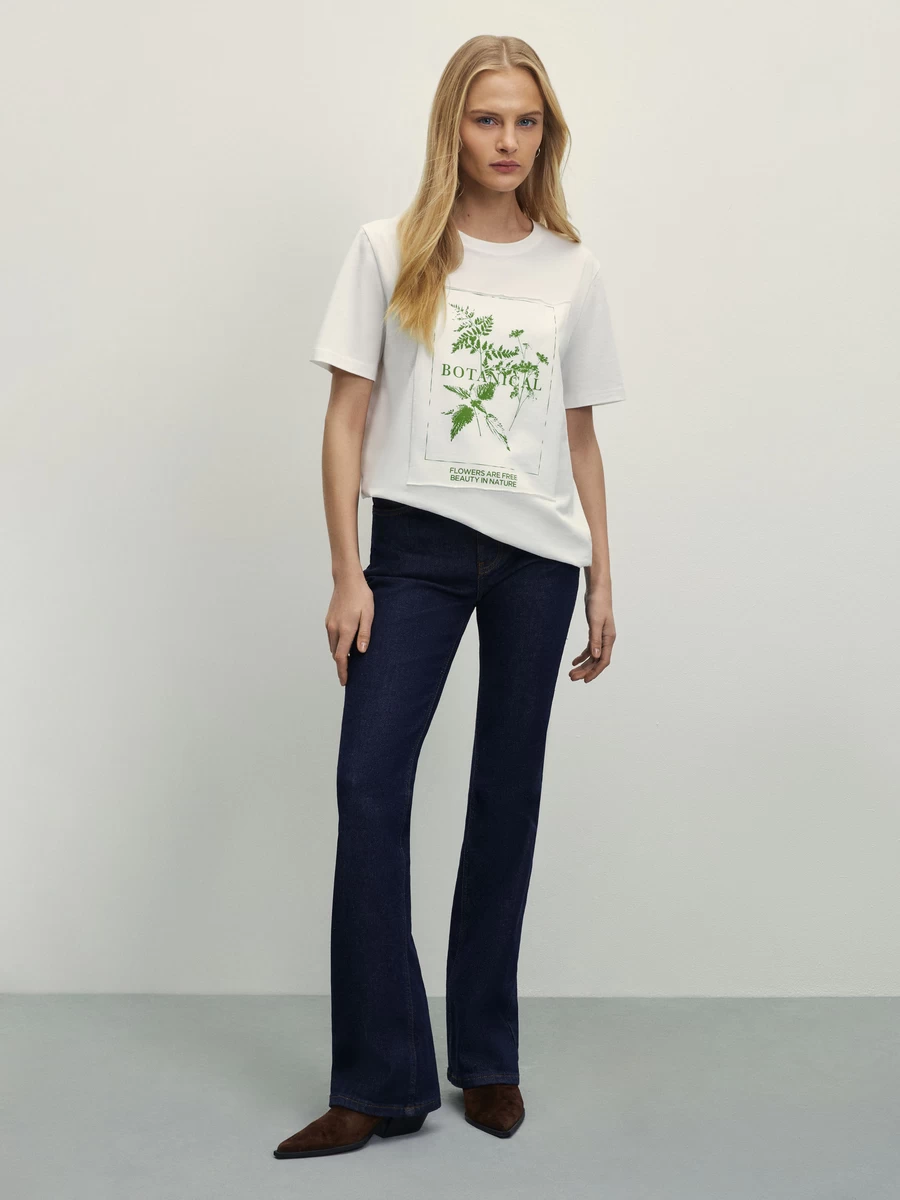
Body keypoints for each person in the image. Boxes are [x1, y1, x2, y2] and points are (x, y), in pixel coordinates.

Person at [274, 32, 626, 1160]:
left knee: (504, 796)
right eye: (487, 119)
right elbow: (344, 419)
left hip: (538, 560)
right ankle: (380, 1081)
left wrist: (604, 573)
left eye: (526, 121)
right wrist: (347, 570)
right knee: (370, 785)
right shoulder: (390, 249)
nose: (507, 140)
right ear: (453, 128)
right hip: (414, 553)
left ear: (546, 132)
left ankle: (487, 1060)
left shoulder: (572, 269)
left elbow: (579, 436)